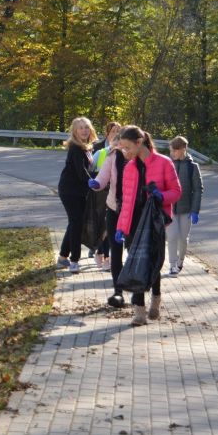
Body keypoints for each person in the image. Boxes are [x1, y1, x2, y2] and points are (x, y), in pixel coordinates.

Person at [113, 126, 182, 326]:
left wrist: (161, 196)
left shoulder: (164, 162)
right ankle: (139, 312)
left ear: (139, 142)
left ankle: (156, 298)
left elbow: (176, 191)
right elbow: (126, 201)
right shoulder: (129, 168)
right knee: (136, 264)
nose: (125, 152)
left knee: (152, 262)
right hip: (134, 222)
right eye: (122, 148)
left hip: (154, 221)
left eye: (127, 147)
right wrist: (121, 227)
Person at [87, 125, 130, 307]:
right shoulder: (112, 156)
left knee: (134, 251)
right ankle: (118, 292)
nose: (123, 148)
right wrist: (96, 184)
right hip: (114, 209)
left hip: (135, 211)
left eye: (126, 145)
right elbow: (103, 177)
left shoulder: (140, 159)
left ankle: (138, 292)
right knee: (116, 251)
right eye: (120, 144)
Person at [57, 117, 97, 273]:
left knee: (75, 222)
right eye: (80, 128)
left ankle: (62, 257)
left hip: (79, 191)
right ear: (75, 131)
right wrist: (96, 180)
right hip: (69, 190)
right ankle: (74, 260)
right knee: (77, 223)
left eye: (86, 127)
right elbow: (82, 173)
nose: (84, 130)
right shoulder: (75, 148)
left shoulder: (86, 147)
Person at [166, 135, 204, 277]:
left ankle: (180, 261)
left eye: (174, 151)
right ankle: (172, 265)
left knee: (183, 238)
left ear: (183, 149)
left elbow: (198, 189)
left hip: (186, 210)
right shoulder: (168, 165)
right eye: (171, 151)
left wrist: (195, 210)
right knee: (172, 237)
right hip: (169, 209)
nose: (172, 154)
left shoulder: (192, 167)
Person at [91, 121, 122, 268]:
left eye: (118, 131)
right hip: (100, 193)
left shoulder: (125, 151)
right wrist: (94, 183)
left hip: (114, 195)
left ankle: (106, 255)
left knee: (110, 227)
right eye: (113, 131)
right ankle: (99, 251)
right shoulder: (100, 150)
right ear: (107, 134)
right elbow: (90, 170)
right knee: (102, 225)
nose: (116, 134)